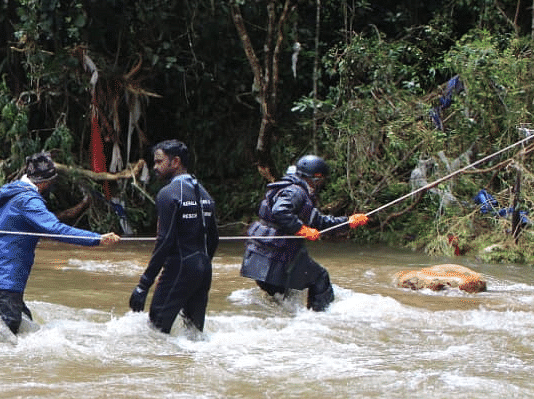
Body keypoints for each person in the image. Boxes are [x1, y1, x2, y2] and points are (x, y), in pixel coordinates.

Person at [0, 152, 121, 335]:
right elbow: (55, 229)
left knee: (22, 323)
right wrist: (96, 239)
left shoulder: (8, 194)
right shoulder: (29, 200)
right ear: (46, 182)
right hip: (7, 274)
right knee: (11, 327)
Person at [239, 154, 369, 311]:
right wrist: (301, 229)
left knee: (284, 298)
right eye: (320, 180)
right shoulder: (296, 192)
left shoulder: (291, 189)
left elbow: (319, 222)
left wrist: (349, 222)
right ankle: (321, 318)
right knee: (320, 277)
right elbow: (280, 211)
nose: (320, 184)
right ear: (315, 178)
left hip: (259, 260)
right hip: (275, 259)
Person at [128, 140, 219, 334]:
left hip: (179, 266)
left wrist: (144, 284)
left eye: (159, 162)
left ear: (175, 162)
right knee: (194, 333)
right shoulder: (205, 194)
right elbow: (213, 239)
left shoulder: (168, 194)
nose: (155, 167)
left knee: (157, 331)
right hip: (203, 269)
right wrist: (200, 265)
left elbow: (165, 241)